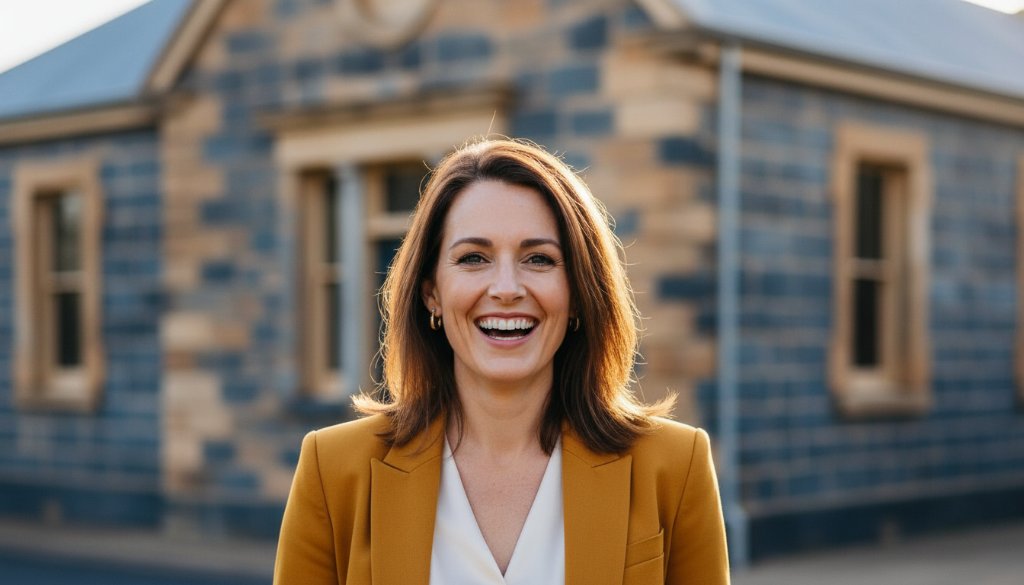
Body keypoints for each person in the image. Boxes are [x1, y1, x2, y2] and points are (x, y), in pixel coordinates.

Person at [273, 138, 730, 584]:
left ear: (577, 292)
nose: (507, 288)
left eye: (539, 258)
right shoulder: (333, 470)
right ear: (432, 291)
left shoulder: (673, 466)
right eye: (474, 258)